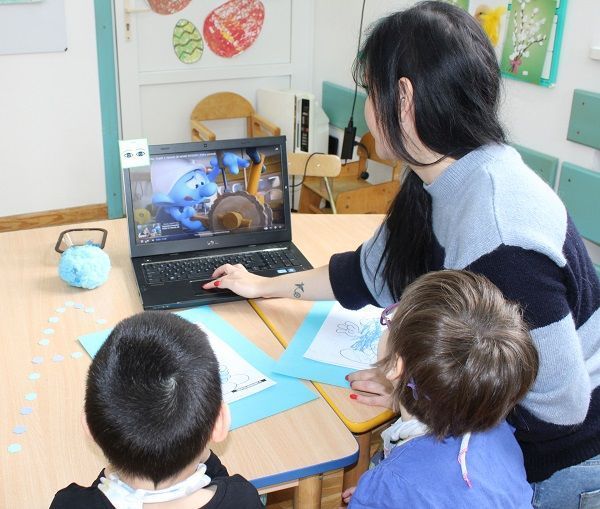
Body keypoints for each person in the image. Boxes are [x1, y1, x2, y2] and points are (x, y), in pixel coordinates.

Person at [202, 2, 600, 507]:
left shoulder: (502, 237)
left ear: (404, 98)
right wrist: (262, 284)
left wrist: (419, 397)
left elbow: (562, 409)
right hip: (496, 440)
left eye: (372, 91)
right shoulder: (440, 176)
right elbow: (367, 273)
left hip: (557, 463)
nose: (370, 108)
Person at [341, 270, 538, 508]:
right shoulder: (497, 430)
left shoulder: (394, 484)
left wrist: (379, 495)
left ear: (396, 365)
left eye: (391, 321)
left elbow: (415, 487)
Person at [50, 311, 263, 509]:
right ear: (220, 423)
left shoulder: (69, 504)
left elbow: (96, 497)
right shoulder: (242, 499)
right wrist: (200, 449)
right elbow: (221, 485)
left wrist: (114, 465)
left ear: (88, 425)